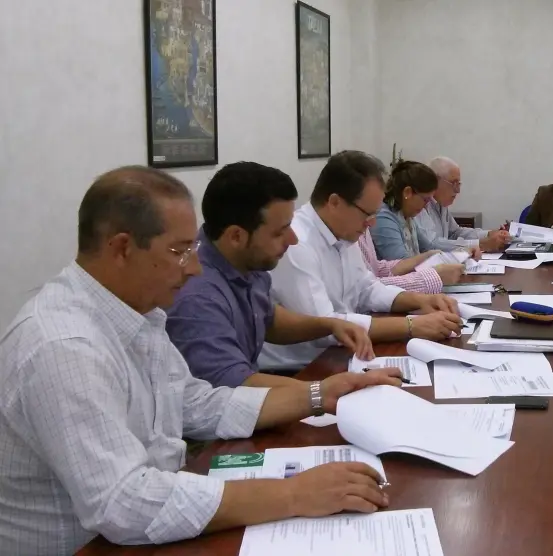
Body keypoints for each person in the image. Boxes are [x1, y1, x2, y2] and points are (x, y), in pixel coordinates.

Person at [0, 166, 403, 554]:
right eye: (180, 251)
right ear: (122, 248)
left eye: (193, 248)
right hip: (93, 545)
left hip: (145, 524)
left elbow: (195, 402)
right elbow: (123, 503)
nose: (194, 267)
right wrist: (294, 493)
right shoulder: (65, 347)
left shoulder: (138, 311)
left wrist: (321, 395)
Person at [166, 162, 377, 389]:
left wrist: (328, 325)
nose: (293, 240)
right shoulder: (197, 296)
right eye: (279, 232)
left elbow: (267, 318)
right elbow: (231, 385)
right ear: (236, 236)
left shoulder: (246, 260)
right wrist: (326, 390)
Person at [262, 151, 463, 368]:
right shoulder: (297, 243)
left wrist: (420, 301)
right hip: (302, 369)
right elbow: (326, 327)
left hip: (343, 354)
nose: (372, 223)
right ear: (334, 202)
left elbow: (366, 288)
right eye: (367, 213)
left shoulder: (344, 232)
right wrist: (412, 325)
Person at [371, 160, 472, 261]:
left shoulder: (407, 216)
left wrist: (464, 251)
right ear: (407, 192)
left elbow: (428, 246)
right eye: (425, 199)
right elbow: (401, 262)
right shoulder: (384, 218)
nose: (426, 206)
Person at [415, 156, 511, 252]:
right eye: (454, 183)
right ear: (435, 181)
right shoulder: (420, 205)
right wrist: (481, 244)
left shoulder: (441, 203)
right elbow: (431, 245)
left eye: (459, 184)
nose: (458, 190)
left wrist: (489, 234)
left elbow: (455, 233)